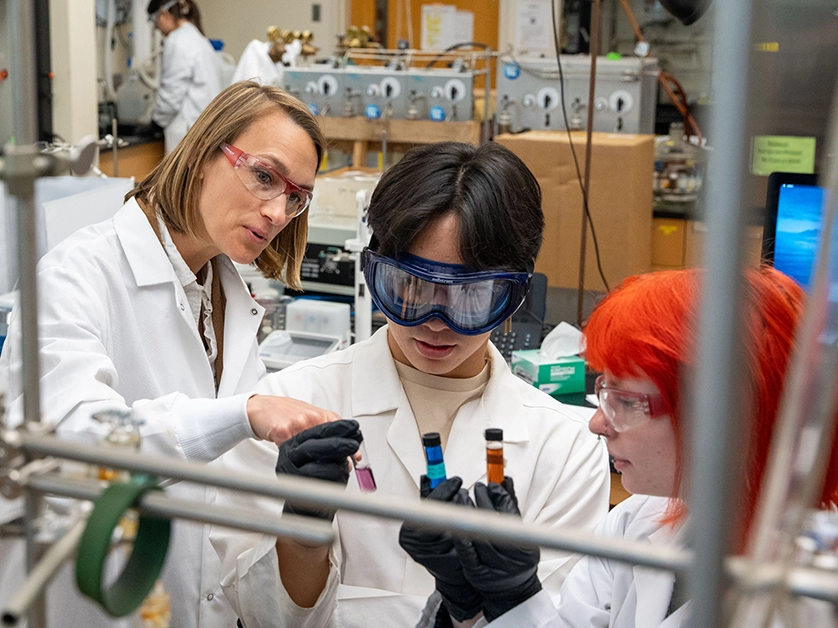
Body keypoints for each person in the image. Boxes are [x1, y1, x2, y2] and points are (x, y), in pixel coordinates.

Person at [210, 141, 611, 628]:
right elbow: (253, 617)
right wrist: (300, 533)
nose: (435, 322)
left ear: (513, 294)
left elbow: (562, 619)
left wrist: (499, 599)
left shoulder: (566, 449)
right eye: (410, 288)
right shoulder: (293, 405)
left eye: (470, 296)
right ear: (374, 271)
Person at [0, 80, 338, 627]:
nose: (278, 211)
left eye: (296, 196)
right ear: (205, 153)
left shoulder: (229, 296)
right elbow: (65, 436)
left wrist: (300, 511)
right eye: (263, 175)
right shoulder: (77, 275)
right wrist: (242, 413)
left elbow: (230, 513)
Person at [420, 267, 838, 628]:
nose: (598, 424)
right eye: (603, 393)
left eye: (625, 402)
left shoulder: (815, 590)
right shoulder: (637, 523)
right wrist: (489, 598)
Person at [148, 0, 222, 154]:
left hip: (187, 130)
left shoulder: (177, 41)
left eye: (154, 20)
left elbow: (172, 93)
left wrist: (156, 122)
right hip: (205, 128)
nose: (156, 27)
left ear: (164, 14)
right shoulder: (200, 39)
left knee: (181, 177)